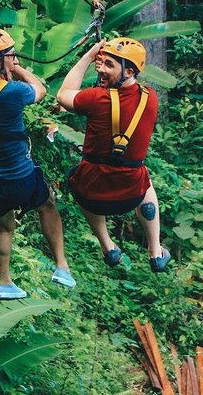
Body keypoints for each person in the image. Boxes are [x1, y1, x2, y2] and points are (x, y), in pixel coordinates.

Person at [0, 27, 76, 299]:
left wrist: (8, 62)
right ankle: (61, 266)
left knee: (4, 226)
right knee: (47, 205)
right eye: (10, 55)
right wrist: (19, 69)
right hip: (19, 176)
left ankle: (4, 282)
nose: (13, 59)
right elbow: (40, 90)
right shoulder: (13, 92)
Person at [56, 37, 171, 272]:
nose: (101, 69)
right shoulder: (150, 98)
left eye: (109, 65)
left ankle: (107, 245)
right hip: (131, 193)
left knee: (79, 177)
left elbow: (63, 94)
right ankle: (155, 250)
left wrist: (89, 57)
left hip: (93, 195)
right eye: (101, 63)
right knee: (144, 176)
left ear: (129, 70)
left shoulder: (96, 98)